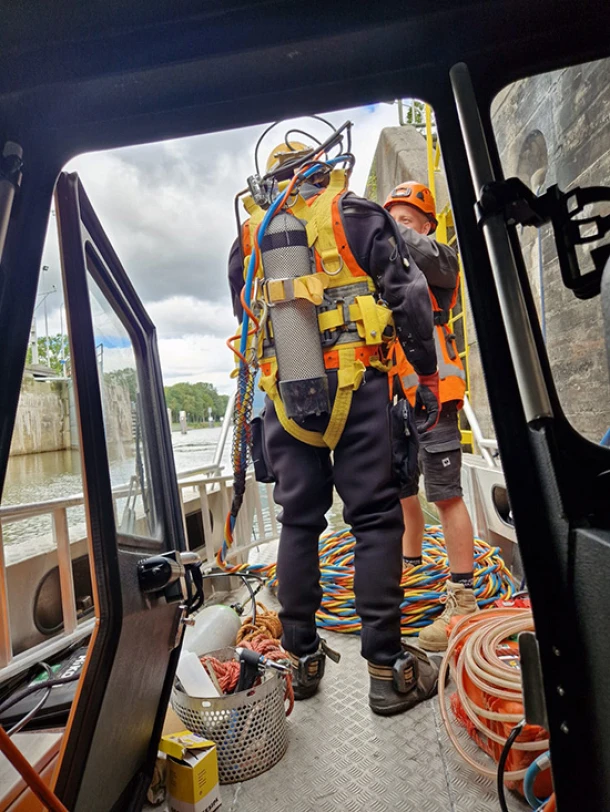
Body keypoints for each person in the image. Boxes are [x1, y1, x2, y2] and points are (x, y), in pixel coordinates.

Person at [228, 139, 441, 715]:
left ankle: (300, 659)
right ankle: (385, 671)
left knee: (298, 522)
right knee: (374, 519)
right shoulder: (352, 211)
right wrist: (424, 373)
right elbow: (409, 295)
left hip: (285, 400)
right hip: (358, 387)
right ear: (321, 168)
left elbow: (245, 317)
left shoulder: (251, 237)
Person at [384, 181, 478, 652]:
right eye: (391, 218)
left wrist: (382, 229)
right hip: (396, 398)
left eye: (406, 220)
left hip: (435, 393)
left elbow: (427, 255)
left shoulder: (441, 262)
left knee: (445, 496)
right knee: (403, 493)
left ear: (424, 224)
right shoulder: (387, 270)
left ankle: (463, 601)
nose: (397, 228)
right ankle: (412, 568)